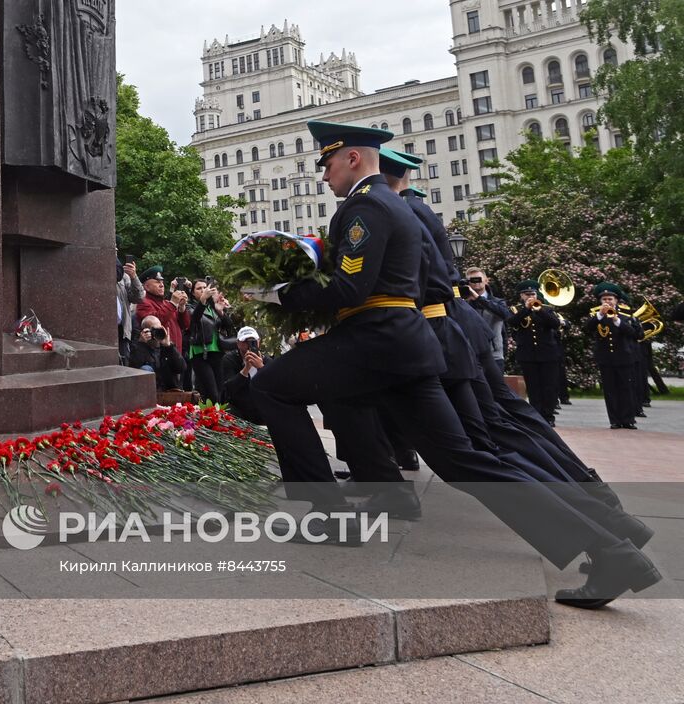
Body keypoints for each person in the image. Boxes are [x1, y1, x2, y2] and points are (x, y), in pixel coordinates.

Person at [243, 120, 658, 606]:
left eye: (328, 163)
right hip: (406, 344)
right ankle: (613, 549)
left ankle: (328, 518)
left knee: (271, 386)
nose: (325, 175)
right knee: (465, 462)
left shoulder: (363, 208)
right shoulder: (398, 207)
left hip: (374, 342)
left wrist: (277, 292)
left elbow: (351, 288)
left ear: (353, 159)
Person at [508, 282, 562, 426]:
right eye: (527, 294)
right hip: (528, 354)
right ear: (521, 296)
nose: (530, 297)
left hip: (548, 353)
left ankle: (549, 416)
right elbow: (512, 322)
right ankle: (537, 416)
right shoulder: (516, 310)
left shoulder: (547, 309)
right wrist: (526, 310)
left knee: (549, 385)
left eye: (533, 294)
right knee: (533, 386)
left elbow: (555, 324)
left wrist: (539, 310)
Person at [591, 283, 642, 429]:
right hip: (606, 358)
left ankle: (628, 419)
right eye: (604, 299)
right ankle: (614, 420)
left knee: (626, 388)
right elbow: (587, 328)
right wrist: (599, 315)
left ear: (616, 300)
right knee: (610, 390)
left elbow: (636, 334)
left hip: (624, 357)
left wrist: (617, 321)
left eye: (610, 299)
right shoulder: (596, 315)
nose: (607, 302)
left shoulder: (626, 316)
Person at [185, 278, 236, 403]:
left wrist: (220, 311)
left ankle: (216, 417)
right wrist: (202, 300)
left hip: (217, 351)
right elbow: (194, 319)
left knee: (219, 391)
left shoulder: (213, 306)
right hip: (200, 353)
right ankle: (210, 417)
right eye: (199, 288)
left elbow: (229, 326)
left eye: (204, 287)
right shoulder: (190, 306)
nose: (203, 290)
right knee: (211, 392)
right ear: (193, 293)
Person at [218, 326, 270, 423]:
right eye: (245, 341)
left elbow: (274, 387)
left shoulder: (266, 361)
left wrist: (261, 368)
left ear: (259, 342)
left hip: (260, 408)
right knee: (228, 409)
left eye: (253, 341)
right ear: (238, 344)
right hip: (238, 408)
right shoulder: (230, 359)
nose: (249, 345)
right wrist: (246, 369)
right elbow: (228, 389)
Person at [135, 265, 190, 357]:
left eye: (162, 282)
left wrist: (182, 307)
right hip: (160, 355)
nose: (162, 285)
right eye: (157, 282)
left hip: (176, 353)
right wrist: (172, 303)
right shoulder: (143, 303)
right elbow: (155, 323)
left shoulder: (166, 303)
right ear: (146, 287)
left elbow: (185, 325)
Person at [464, 267, 511, 373]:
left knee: (497, 388)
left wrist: (478, 298)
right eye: (472, 280)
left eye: (478, 279)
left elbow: (505, 314)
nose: (476, 283)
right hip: (473, 355)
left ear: (486, 280)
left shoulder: (498, 302)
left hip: (494, 355)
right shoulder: (464, 304)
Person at [127, 315, 187, 390]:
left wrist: (169, 347)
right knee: (145, 369)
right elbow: (133, 369)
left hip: (169, 390)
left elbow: (181, 368)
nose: (158, 332)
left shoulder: (166, 347)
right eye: (154, 330)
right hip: (149, 390)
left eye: (159, 329)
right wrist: (141, 345)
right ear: (145, 331)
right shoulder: (138, 346)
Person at [115, 257, 142, 365]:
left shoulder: (123, 277)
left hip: (122, 331)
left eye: (116, 250)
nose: (115, 252)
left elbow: (138, 298)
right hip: (105, 331)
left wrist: (134, 277)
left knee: (123, 364)